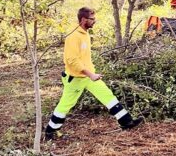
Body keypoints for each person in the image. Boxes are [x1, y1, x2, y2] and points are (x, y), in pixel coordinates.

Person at [45, 7, 143, 140]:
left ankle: (126, 122)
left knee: (107, 95)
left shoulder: (85, 34)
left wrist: (91, 74)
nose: (94, 21)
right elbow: (72, 60)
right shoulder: (73, 36)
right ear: (83, 19)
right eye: (92, 19)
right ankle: (50, 132)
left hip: (89, 76)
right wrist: (90, 74)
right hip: (76, 78)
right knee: (65, 105)